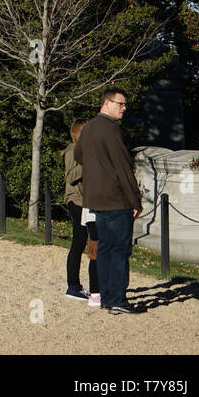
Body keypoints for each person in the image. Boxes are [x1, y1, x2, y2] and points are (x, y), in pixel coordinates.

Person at [73, 88, 142, 315]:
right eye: (120, 104)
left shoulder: (89, 127)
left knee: (104, 249)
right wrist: (135, 200)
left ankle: (104, 297)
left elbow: (79, 156)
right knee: (119, 251)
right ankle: (117, 299)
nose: (124, 108)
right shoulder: (112, 130)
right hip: (116, 199)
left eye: (124, 104)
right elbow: (124, 167)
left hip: (96, 199)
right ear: (106, 104)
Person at [63, 119, 100, 307]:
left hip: (87, 201)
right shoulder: (72, 151)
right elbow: (70, 176)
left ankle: (83, 286)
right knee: (82, 241)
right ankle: (75, 285)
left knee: (84, 240)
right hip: (76, 201)